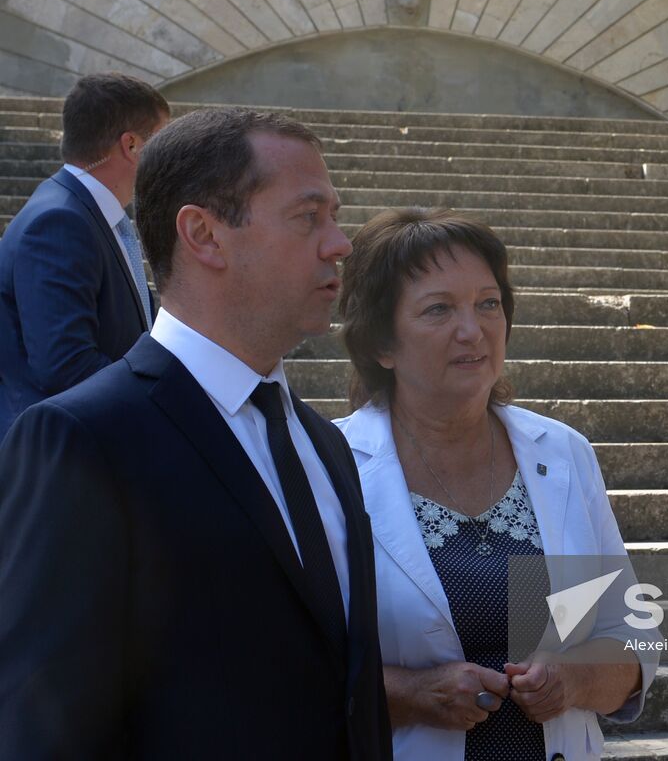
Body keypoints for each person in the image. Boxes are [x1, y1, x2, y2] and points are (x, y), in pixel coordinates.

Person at [0, 108, 392, 760]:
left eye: (335, 215)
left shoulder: (327, 447)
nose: (340, 243)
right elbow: (42, 728)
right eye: (308, 217)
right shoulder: (82, 439)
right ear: (204, 235)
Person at [335, 207, 658, 760]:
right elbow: (286, 664)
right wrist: (410, 695)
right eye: (438, 309)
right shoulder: (329, 465)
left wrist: (572, 681)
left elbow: (631, 638)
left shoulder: (562, 453)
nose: (473, 329)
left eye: (488, 303)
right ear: (381, 345)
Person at [0, 72, 170, 439]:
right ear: (132, 145)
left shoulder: (92, 215)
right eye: (163, 141)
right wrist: (162, 404)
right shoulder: (58, 222)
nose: (169, 159)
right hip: (57, 460)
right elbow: (65, 365)